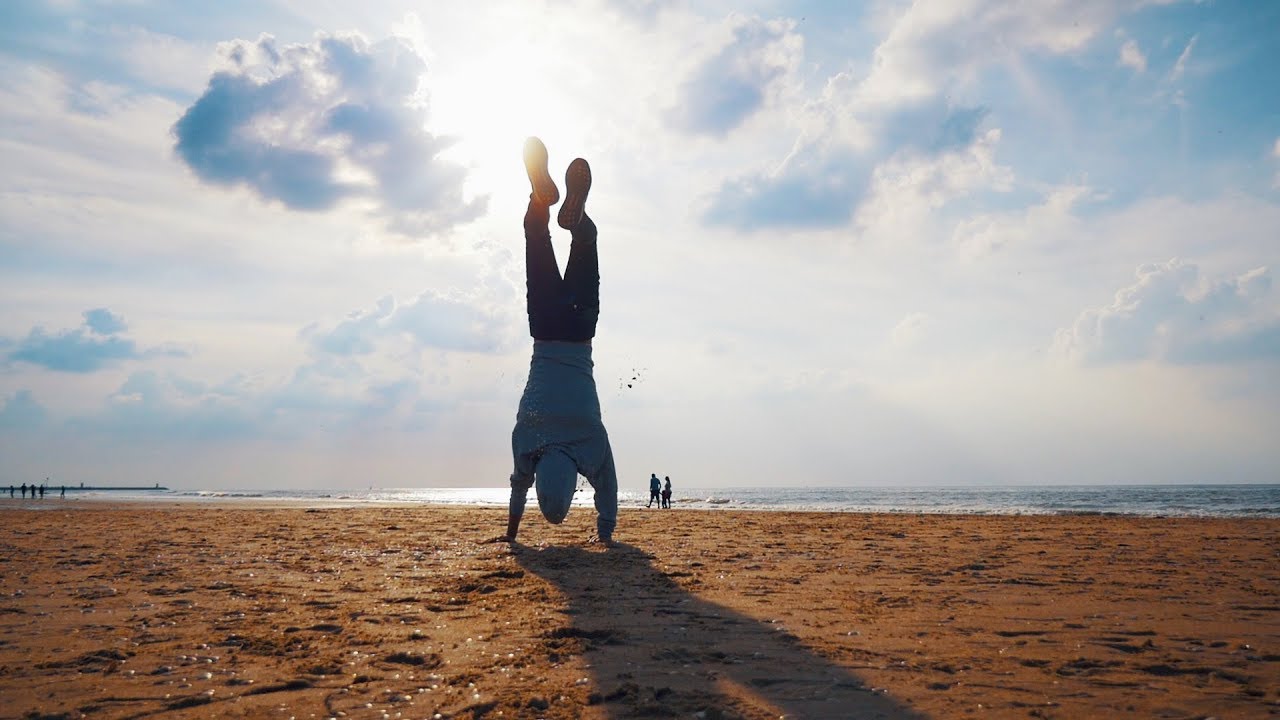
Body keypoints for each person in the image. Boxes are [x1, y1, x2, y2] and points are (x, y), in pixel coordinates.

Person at [497, 137, 617, 547]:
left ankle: (578, 221)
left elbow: (609, 497)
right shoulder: (525, 435)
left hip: (581, 331)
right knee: (536, 241)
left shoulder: (593, 442)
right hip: (545, 327)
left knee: (588, 242)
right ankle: (539, 202)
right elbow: (516, 487)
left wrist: (605, 537)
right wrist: (510, 536)